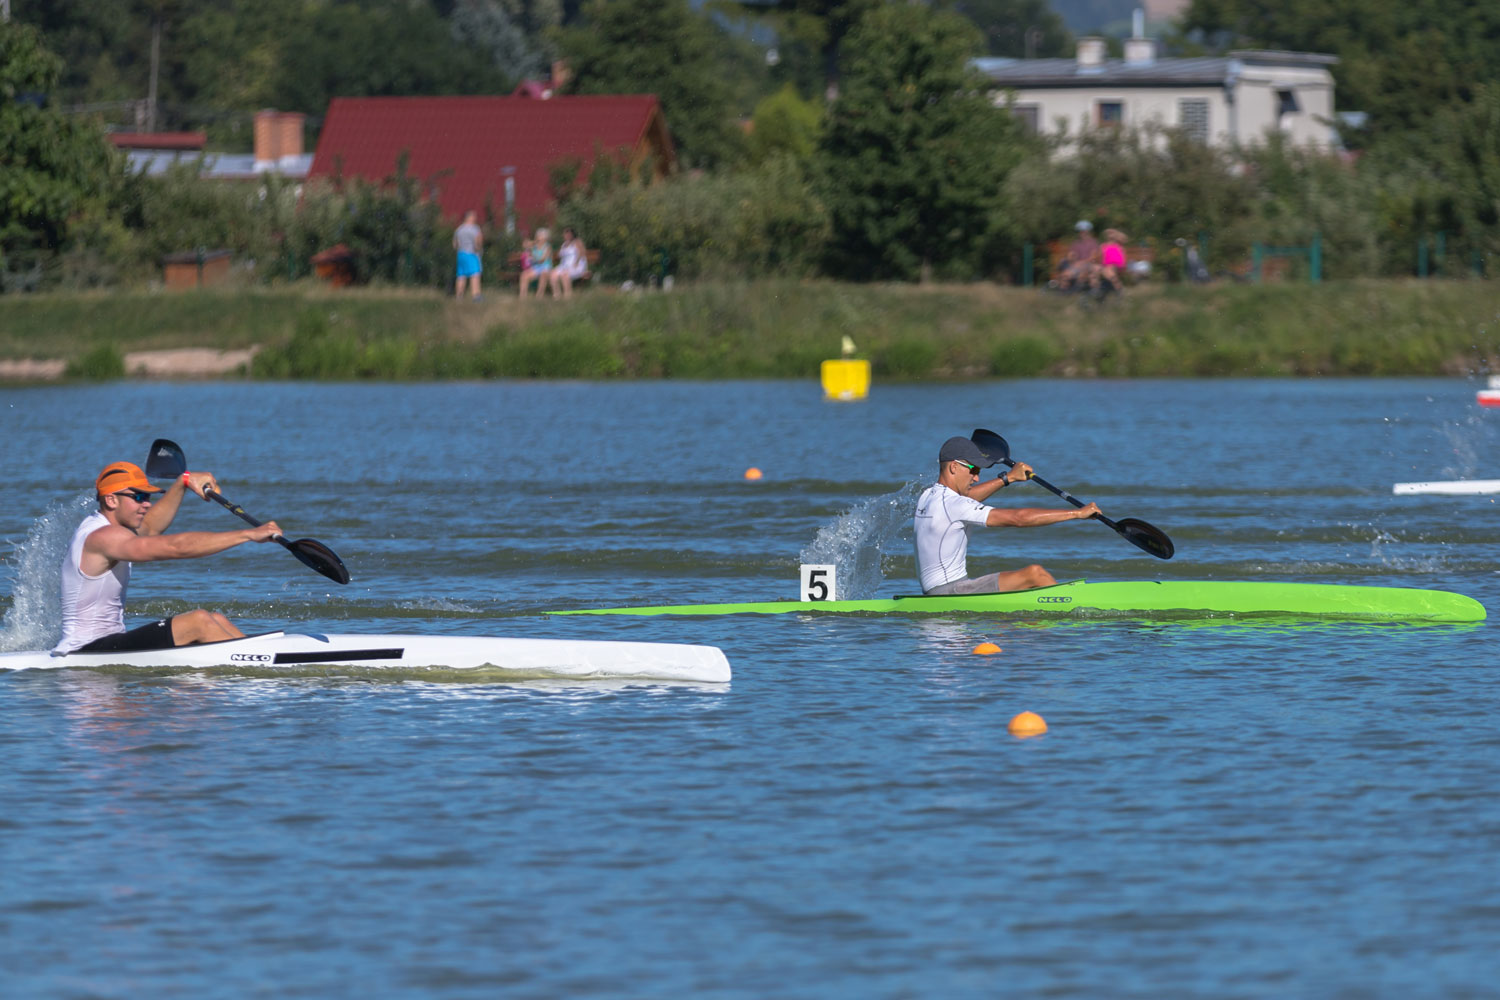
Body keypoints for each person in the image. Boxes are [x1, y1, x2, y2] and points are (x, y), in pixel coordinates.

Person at [53, 461, 284, 654]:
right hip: (85, 650)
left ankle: (265, 659)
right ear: (112, 500)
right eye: (139, 497)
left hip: (108, 644)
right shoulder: (103, 537)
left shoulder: (110, 527)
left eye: (148, 497)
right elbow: (176, 547)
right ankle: (266, 674)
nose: (146, 504)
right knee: (198, 622)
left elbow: (151, 527)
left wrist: (183, 482)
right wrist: (248, 534)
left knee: (216, 619)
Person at [914, 437, 1101, 595]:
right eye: (974, 470)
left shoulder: (928, 496)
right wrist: (1077, 513)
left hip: (936, 591)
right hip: (953, 592)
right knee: (1035, 574)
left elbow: (966, 498)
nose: (977, 477)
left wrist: (1008, 478)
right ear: (954, 467)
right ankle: (1071, 609)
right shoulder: (955, 504)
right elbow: (1017, 518)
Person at [549, 227, 590, 298]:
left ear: (572, 234)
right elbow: (560, 255)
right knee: (553, 274)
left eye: (568, 234)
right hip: (564, 266)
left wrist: (576, 263)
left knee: (564, 275)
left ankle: (567, 295)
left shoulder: (577, 242)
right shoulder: (564, 244)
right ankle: (557, 295)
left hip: (577, 266)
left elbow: (582, 253)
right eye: (565, 234)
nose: (566, 236)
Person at [1059, 220, 1100, 289]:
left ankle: (1094, 291)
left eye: (1084, 231)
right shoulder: (1076, 244)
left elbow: (1093, 257)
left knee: (1086, 274)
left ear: (1088, 231)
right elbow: (1071, 255)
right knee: (1065, 275)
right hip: (1077, 265)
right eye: (1080, 231)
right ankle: (1064, 292)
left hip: (1089, 265)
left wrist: (1081, 262)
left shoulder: (1093, 243)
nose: (1082, 233)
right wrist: (1071, 258)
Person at [453, 210, 484, 301]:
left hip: (461, 254)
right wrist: (478, 249)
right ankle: (476, 295)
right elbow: (478, 241)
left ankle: (459, 296)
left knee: (461, 275)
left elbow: (455, 244)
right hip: (471, 254)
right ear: (469, 217)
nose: (475, 218)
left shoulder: (459, 229)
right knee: (475, 275)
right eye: (473, 216)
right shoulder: (474, 228)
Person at [519, 227, 552, 298]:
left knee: (543, 274)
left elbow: (542, 260)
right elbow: (524, 244)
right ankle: (522, 296)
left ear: (545, 238)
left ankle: (539, 295)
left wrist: (533, 259)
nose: (538, 237)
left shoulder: (547, 247)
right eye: (538, 236)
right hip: (536, 267)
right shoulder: (534, 245)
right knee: (524, 274)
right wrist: (534, 242)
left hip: (545, 267)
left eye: (540, 236)